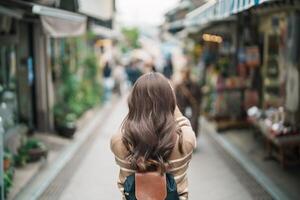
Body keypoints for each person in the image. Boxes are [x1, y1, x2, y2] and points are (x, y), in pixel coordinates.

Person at [111, 72, 196, 199]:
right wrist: (171, 100)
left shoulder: (119, 142)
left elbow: (127, 126)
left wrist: (137, 110)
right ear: (170, 102)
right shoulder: (184, 141)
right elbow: (184, 123)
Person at [175, 67, 202, 137]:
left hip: (192, 108)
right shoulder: (179, 85)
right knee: (185, 125)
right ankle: (187, 139)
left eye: (184, 73)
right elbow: (176, 98)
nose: (183, 75)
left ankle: (191, 139)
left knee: (192, 124)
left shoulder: (194, 84)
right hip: (184, 108)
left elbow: (199, 96)